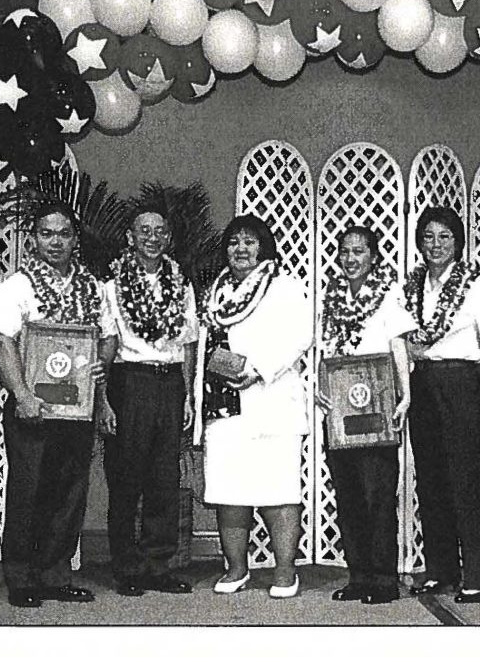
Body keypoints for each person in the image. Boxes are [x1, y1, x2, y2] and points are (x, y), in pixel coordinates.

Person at [0, 202, 118, 608]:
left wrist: (102, 362)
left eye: (63, 234)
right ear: (35, 239)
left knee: (69, 492)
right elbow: (0, 341)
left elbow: (108, 336)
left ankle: (56, 575)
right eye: (47, 233)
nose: (55, 241)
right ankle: (22, 579)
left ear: (74, 239)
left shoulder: (91, 286)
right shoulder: (17, 287)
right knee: (29, 492)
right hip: (33, 408)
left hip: (76, 409)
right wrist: (22, 395)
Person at [199, 215, 313, 599]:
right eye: (234, 242)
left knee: (277, 489)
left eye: (250, 241)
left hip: (271, 402)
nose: (241, 249)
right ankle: (236, 568)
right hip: (224, 408)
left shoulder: (284, 287)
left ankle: (285, 572)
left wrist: (259, 371)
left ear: (264, 246)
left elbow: (301, 336)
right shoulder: (215, 291)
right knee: (229, 490)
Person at [405, 206, 480, 604]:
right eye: (428, 237)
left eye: (444, 237)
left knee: (468, 480)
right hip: (423, 382)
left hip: (461, 381)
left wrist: (463, 381)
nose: (435, 245)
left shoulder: (475, 284)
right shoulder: (412, 286)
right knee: (431, 480)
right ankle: (440, 570)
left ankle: (478, 575)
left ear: (458, 241)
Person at [101, 203, 198, 597]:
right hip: (131, 380)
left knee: (164, 478)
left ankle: (159, 565)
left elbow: (189, 344)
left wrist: (188, 394)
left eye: (160, 231)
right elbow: (106, 346)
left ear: (168, 238)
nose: (153, 237)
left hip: (170, 382)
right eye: (145, 230)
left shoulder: (182, 284)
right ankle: (127, 567)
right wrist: (104, 398)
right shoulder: (111, 286)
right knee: (126, 478)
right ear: (130, 237)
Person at [315, 226, 414, 604]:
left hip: (377, 409)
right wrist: (321, 390)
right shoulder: (332, 298)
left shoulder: (389, 296)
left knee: (377, 495)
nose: (351, 258)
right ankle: (358, 575)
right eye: (344, 251)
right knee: (349, 495)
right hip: (341, 415)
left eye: (359, 251)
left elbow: (398, 346)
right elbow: (323, 353)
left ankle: (383, 580)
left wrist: (404, 395)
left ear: (373, 256)